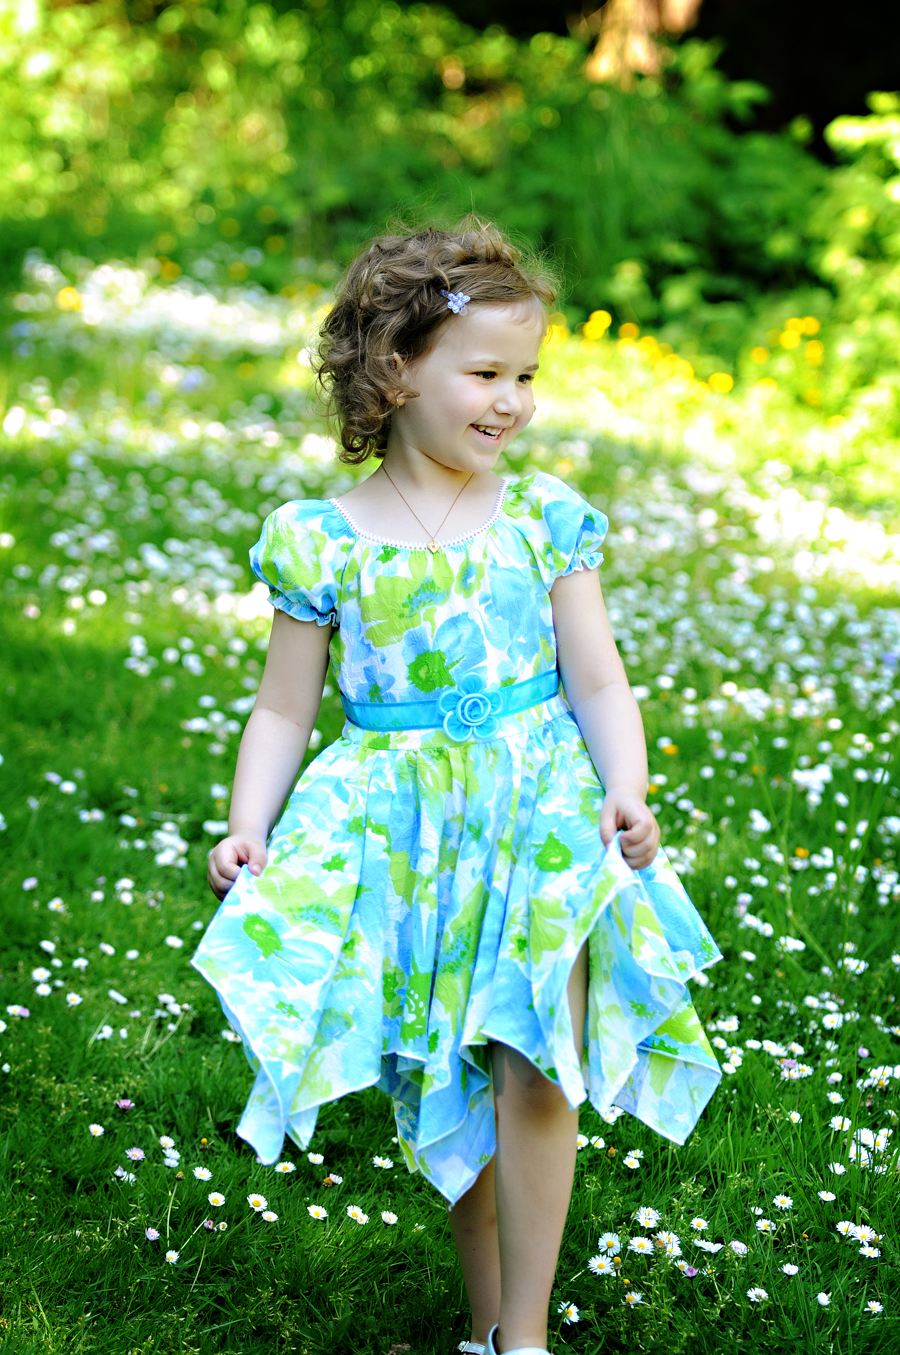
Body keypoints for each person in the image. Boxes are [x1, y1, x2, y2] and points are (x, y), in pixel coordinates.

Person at [192, 222, 722, 1355]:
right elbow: (286, 706)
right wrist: (250, 825)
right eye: (485, 374)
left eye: (526, 375)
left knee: (537, 1061)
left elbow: (597, 676)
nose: (512, 402)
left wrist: (624, 788)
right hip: (406, 832)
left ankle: (522, 1338)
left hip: (539, 814)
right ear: (395, 369)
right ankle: (487, 1326)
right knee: (453, 1074)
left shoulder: (543, 522)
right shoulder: (323, 541)